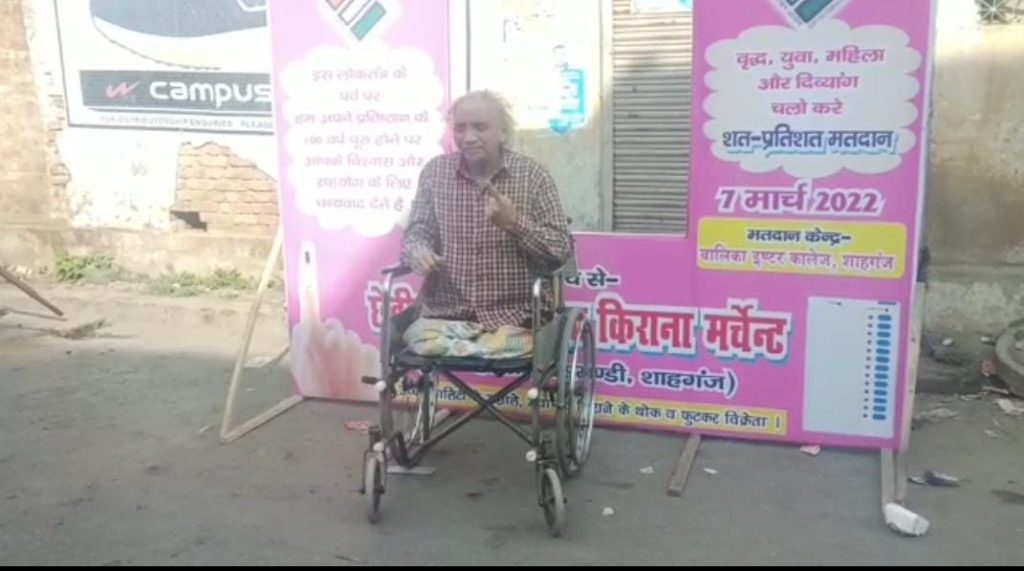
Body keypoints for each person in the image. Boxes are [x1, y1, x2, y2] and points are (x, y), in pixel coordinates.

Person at [399, 90, 571, 359]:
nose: (468, 138)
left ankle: (474, 348)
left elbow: (561, 250)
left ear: (503, 133)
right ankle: (477, 348)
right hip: (447, 315)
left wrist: (515, 224)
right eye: (460, 128)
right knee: (414, 336)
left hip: (515, 318)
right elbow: (418, 230)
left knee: (523, 343)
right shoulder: (435, 173)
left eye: (480, 127)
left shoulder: (533, 176)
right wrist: (418, 250)